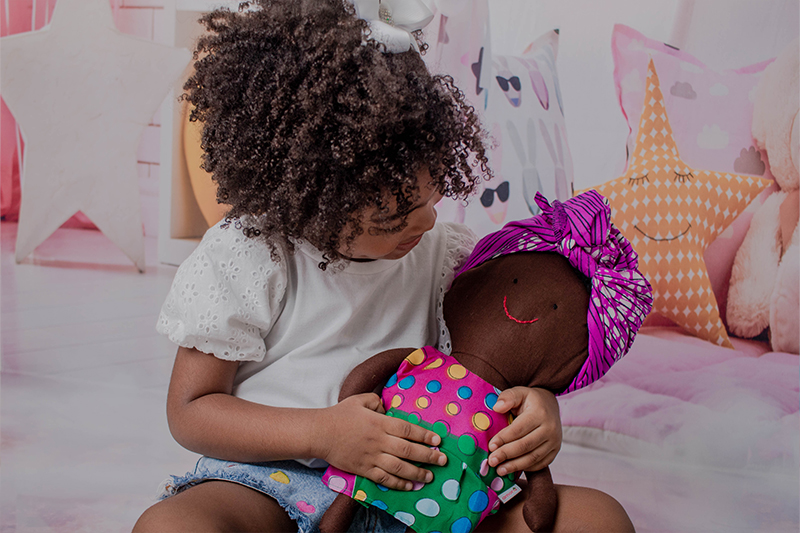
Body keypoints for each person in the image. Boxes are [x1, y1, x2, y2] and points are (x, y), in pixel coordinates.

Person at [133, 1, 634, 532]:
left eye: (433, 193)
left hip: (426, 493)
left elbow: (493, 357)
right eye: (393, 216)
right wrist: (323, 435)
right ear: (313, 201)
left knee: (597, 519)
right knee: (171, 528)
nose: (425, 221)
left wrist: (537, 409)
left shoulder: (445, 254)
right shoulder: (251, 254)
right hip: (272, 485)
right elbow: (191, 410)